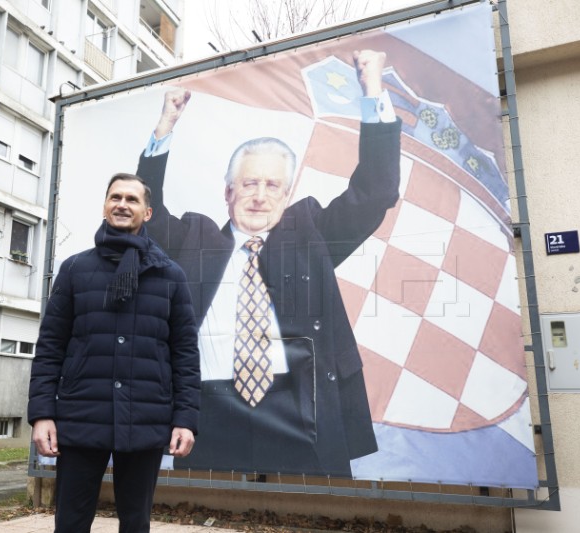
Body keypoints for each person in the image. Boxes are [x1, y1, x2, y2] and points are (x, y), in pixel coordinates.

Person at [135, 50, 402, 478]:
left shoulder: (310, 233)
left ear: (287, 193)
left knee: (313, 514)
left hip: (300, 404)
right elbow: (147, 212)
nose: (260, 195)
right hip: (211, 408)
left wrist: (372, 92)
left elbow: (374, 193)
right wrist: (164, 128)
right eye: (249, 184)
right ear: (228, 193)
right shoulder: (195, 239)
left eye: (272, 185)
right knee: (212, 514)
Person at [27, 174, 200, 533]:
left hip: (146, 416)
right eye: (115, 197)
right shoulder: (75, 269)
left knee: (135, 522)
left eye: (132, 199)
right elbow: (50, 346)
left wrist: (184, 418)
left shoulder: (170, 275)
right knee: (71, 522)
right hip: (81, 414)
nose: (122, 204)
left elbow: (184, 353)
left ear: (148, 212)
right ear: (105, 206)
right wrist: (42, 414)